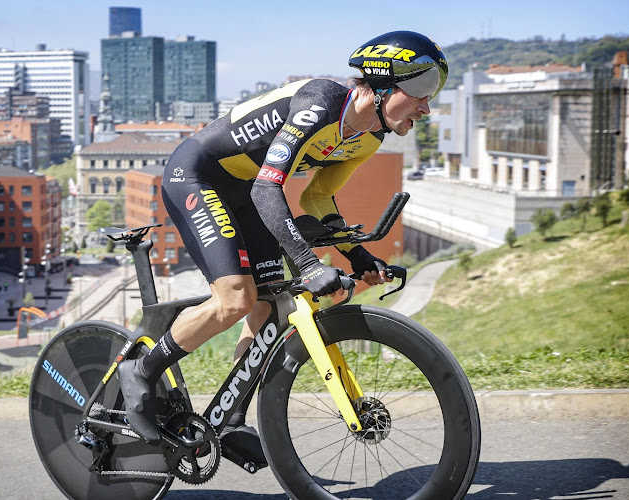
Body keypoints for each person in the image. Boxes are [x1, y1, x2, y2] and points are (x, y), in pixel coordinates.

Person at [119, 30, 448, 459]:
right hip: (199, 176)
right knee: (236, 298)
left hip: (248, 190)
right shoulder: (322, 103)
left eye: (433, 93)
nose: (426, 106)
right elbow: (267, 189)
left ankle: (229, 421)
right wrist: (309, 264)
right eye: (421, 89)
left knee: (270, 304)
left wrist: (358, 254)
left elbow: (317, 199)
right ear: (383, 83)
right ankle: (140, 370)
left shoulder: (369, 136)